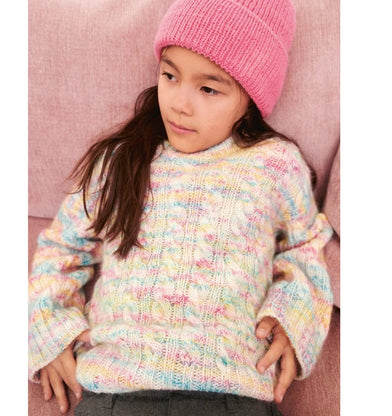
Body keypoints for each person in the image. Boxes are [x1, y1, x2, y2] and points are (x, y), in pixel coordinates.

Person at [28, 0, 333, 415]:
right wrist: (51, 331)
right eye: (169, 76)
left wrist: (292, 317)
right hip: (115, 394)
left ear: (250, 98)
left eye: (208, 89)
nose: (179, 103)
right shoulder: (121, 161)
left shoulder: (275, 165)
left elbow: (305, 248)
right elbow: (61, 248)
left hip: (233, 396)